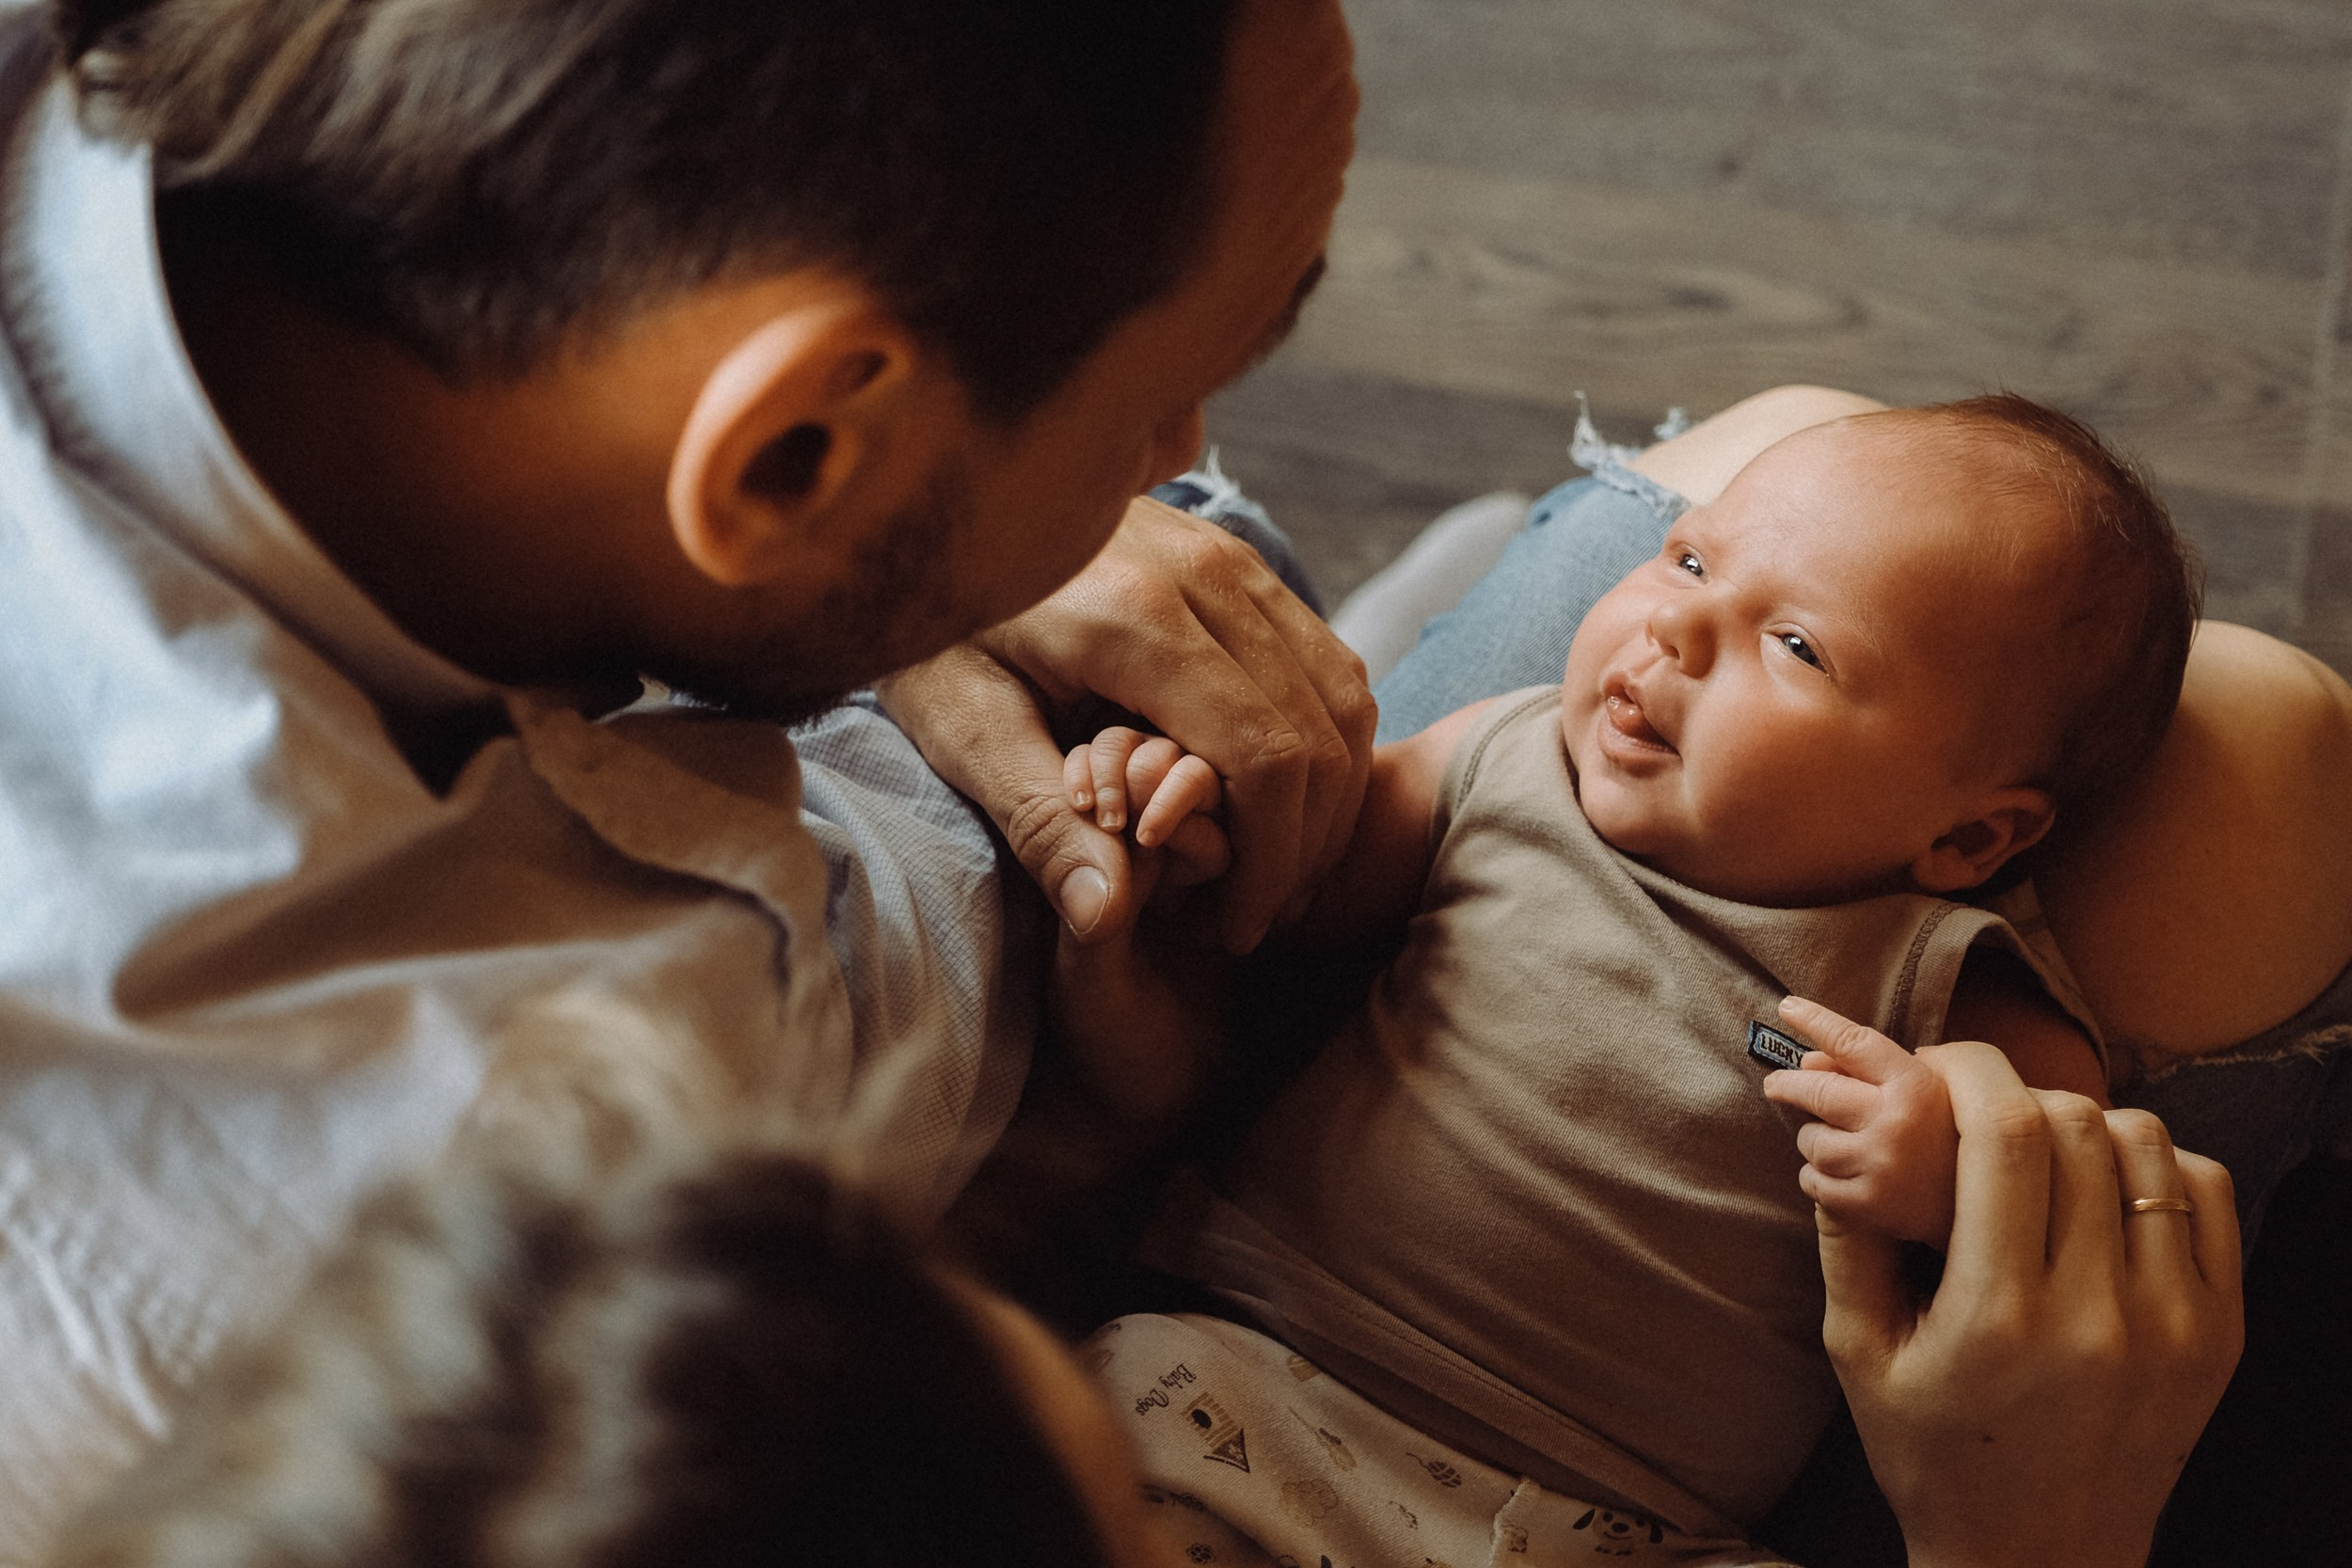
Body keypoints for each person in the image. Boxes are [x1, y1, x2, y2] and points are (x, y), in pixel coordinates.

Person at [0, 0, 2307, 1556]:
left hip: (1087, 941)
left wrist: (960, 589)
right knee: (2246, 756)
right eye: (1167, 404)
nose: (1193, 471)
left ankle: (1462, 575)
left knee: (1837, 482)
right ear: (796, 452)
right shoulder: (409, 1282)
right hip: (1211, 1287)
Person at [1052, 395, 2200, 1560]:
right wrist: (1193, 821)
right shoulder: (1513, 752)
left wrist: (1934, 1172)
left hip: (1631, 1521)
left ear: (1966, 841)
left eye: (1796, 644)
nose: (1676, 629)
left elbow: (2055, 1182)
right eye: (1689, 556)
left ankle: (1431, 578)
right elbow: (1305, 876)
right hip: (1254, 1380)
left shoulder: (1930, 966)